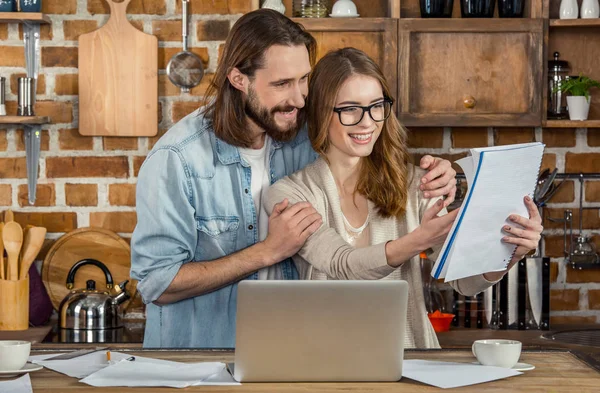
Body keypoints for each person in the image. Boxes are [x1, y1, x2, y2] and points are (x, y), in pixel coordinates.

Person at [130, 10, 458, 348]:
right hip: (206, 356)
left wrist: (439, 176)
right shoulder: (178, 159)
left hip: (287, 351)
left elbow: (366, 144)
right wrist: (266, 252)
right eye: (282, 84)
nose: (300, 98)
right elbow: (157, 283)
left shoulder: (299, 131)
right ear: (239, 79)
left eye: (304, 79)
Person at [265, 48, 543, 349]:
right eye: (350, 109)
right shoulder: (290, 194)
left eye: (376, 106)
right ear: (321, 112)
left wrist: (509, 253)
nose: (367, 122)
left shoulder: (413, 182)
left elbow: (465, 281)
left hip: (409, 357)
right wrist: (418, 240)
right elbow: (342, 265)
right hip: (324, 360)